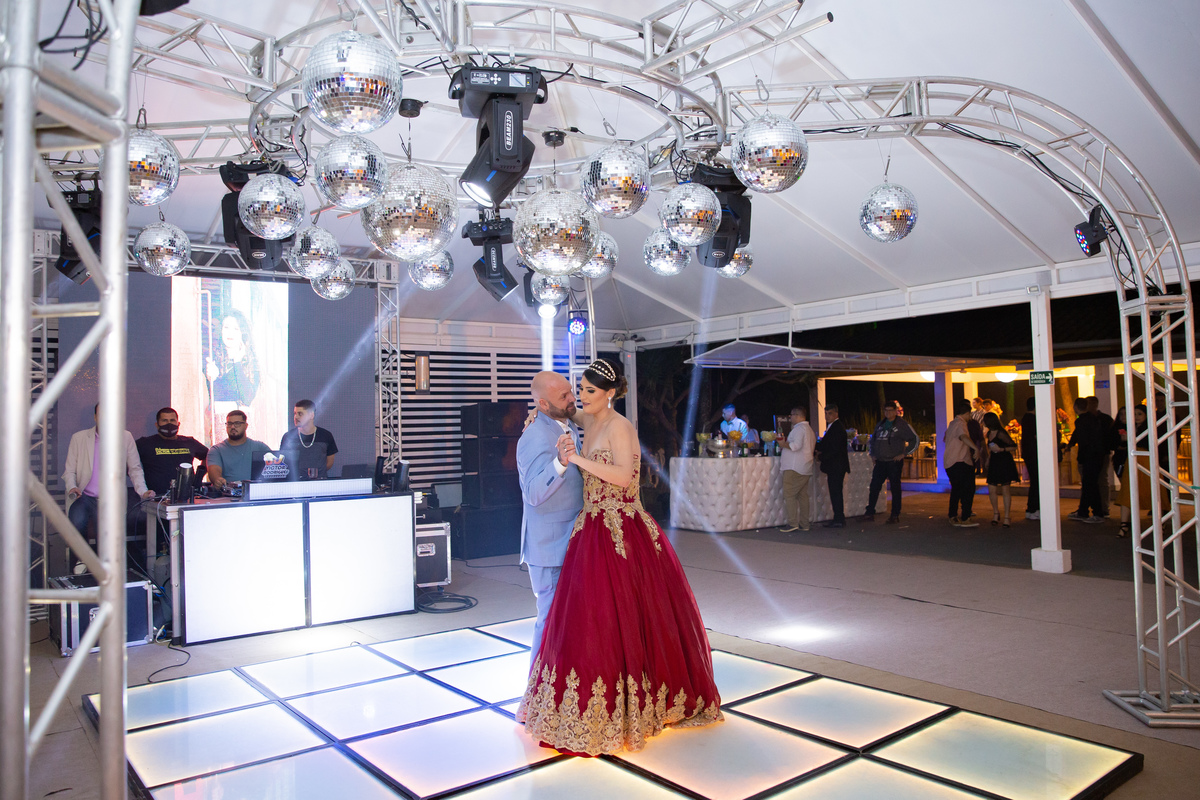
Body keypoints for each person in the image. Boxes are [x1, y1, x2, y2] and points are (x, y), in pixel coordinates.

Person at [519, 358, 722, 755]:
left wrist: (574, 459)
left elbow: (625, 477)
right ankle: (563, 701)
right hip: (588, 533)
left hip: (622, 531)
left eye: (587, 391)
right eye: (575, 391)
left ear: (609, 394)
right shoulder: (586, 418)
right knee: (582, 623)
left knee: (627, 618)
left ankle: (634, 704)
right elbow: (560, 411)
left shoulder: (619, 426)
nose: (578, 397)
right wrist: (538, 410)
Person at [516, 371, 584, 664]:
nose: (572, 399)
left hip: (574, 539)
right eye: (564, 396)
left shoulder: (566, 423)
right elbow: (532, 492)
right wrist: (560, 463)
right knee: (550, 620)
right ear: (543, 404)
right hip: (549, 548)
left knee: (571, 622)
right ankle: (537, 690)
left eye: (570, 392)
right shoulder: (532, 436)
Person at [62, 403, 153, 542]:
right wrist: (72, 487)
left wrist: (143, 491)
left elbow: (135, 469)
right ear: (95, 417)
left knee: (106, 539)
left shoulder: (125, 437)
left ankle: (101, 563)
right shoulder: (78, 438)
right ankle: (80, 561)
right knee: (77, 523)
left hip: (111, 499)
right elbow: (69, 471)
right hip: (84, 496)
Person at [864, 401, 919, 523]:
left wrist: (904, 454)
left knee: (895, 488)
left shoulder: (902, 424)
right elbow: (873, 441)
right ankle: (869, 512)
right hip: (880, 462)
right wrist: (873, 454)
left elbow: (915, 439)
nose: (888, 413)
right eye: (886, 410)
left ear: (895, 411)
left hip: (893, 462)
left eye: (890, 410)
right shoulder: (880, 424)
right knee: (874, 487)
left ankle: (895, 514)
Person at [136, 407, 209, 496]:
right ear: (157, 424)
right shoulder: (144, 443)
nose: (169, 424)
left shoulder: (189, 442)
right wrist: (141, 487)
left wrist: (199, 477)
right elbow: (129, 465)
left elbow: (209, 456)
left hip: (186, 496)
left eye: (172, 420)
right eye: (165, 420)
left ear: (178, 423)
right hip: (155, 498)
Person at [206, 308, 259, 420]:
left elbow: (247, 399)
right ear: (221, 331)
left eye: (236, 329)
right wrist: (209, 379)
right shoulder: (213, 360)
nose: (230, 333)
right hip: (218, 426)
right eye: (226, 327)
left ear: (242, 333)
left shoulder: (252, 364)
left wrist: (237, 362)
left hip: (242, 428)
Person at [206, 410, 271, 490]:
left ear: (246, 426)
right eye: (229, 424)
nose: (233, 427)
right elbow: (214, 471)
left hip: (257, 494)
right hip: (228, 498)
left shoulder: (260, 448)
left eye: (237, 423)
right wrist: (217, 480)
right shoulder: (216, 450)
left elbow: (275, 468)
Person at [1067, 397, 1105, 523]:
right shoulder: (1094, 419)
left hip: (1089, 457)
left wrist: (1072, 448)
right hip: (1096, 456)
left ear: (1076, 407)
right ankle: (1084, 510)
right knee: (1090, 485)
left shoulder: (1081, 422)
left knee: (1090, 485)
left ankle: (1095, 512)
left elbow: (1082, 439)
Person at [280, 399, 339, 480]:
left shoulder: (326, 435)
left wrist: (318, 473)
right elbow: (283, 461)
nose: (296, 417)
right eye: (295, 413)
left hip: (321, 483)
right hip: (295, 484)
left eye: (300, 414)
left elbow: (330, 462)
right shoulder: (288, 437)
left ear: (311, 415)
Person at [944, 399, 980, 528]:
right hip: (960, 461)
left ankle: (953, 515)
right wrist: (975, 448)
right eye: (970, 414)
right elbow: (963, 437)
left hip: (951, 461)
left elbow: (946, 438)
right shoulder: (960, 423)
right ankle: (965, 517)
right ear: (967, 413)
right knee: (968, 489)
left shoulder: (952, 423)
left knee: (957, 490)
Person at [778, 407, 814, 532]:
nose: (790, 418)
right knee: (802, 496)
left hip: (794, 467)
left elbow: (796, 446)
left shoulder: (799, 429)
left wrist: (783, 444)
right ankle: (804, 523)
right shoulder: (809, 430)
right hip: (805, 467)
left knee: (789, 494)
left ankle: (792, 523)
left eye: (791, 415)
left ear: (798, 416)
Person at [814, 404, 849, 528]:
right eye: (826, 413)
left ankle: (839, 518)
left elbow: (834, 449)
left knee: (836, 492)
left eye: (829, 413)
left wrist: (820, 456)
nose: (827, 416)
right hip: (836, 465)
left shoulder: (837, 428)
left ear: (836, 414)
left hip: (836, 465)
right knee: (835, 492)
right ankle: (838, 517)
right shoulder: (833, 427)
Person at [983, 412, 1019, 527]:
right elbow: (990, 448)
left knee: (1005, 489)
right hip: (994, 461)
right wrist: (988, 459)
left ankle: (1007, 516)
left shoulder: (1001, 433)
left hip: (1004, 461)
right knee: (992, 488)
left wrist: (1001, 449)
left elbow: (1014, 446)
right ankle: (995, 513)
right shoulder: (989, 433)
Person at [1089, 396, 1114, 518]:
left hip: (1102, 453)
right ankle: (1098, 506)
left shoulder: (1104, 419)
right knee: (1096, 480)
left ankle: (1104, 507)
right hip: (1094, 453)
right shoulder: (1089, 419)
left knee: (1102, 479)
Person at [1020, 397, 1040, 520]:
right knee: (1036, 481)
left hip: (1028, 453)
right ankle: (1033, 508)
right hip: (1033, 453)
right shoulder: (1032, 419)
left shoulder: (1025, 418)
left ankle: (1032, 508)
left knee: (1035, 481)